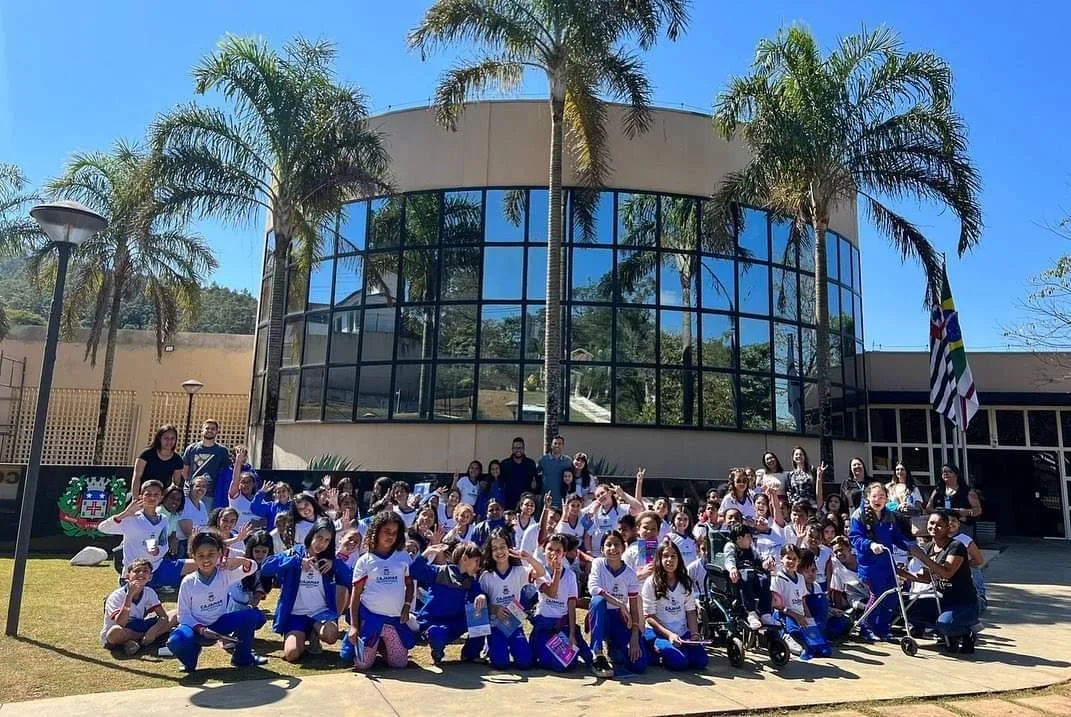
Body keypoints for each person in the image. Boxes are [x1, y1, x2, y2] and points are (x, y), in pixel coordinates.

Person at [166, 530, 267, 672]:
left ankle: (242, 658)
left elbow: (252, 567)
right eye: (200, 556)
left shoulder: (223, 574)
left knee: (251, 616)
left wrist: (241, 561)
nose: (206, 560)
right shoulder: (188, 582)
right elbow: (183, 615)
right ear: (193, 557)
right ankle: (190, 661)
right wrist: (201, 629)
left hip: (219, 624)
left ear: (219, 554)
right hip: (196, 629)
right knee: (176, 641)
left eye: (211, 554)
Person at [261, 518, 350, 662]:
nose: (322, 543)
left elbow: (349, 579)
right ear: (312, 535)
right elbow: (266, 568)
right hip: (296, 614)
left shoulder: (329, 560)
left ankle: (314, 633)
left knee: (331, 636)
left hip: (319, 613)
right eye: (319, 537)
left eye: (327, 540)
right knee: (292, 654)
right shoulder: (295, 553)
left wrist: (334, 565)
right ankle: (300, 636)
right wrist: (296, 562)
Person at [848, 482, 926, 641]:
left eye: (882, 496)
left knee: (891, 596)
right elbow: (855, 538)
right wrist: (871, 545)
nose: (878, 500)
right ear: (868, 497)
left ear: (887, 498)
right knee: (877, 595)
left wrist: (910, 546)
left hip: (887, 562)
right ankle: (866, 628)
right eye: (874, 496)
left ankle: (882, 628)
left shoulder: (889, 515)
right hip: (870, 564)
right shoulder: (859, 515)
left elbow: (896, 537)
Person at [900, 511, 980, 653]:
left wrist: (922, 557)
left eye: (939, 525)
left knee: (945, 625)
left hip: (964, 602)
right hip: (940, 600)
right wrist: (902, 573)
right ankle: (947, 634)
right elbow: (926, 578)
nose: (934, 527)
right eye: (931, 523)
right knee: (904, 609)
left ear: (948, 528)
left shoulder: (956, 546)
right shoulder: (928, 547)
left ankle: (966, 632)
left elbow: (946, 572)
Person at [348, 511, 416, 670]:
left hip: (394, 620)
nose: (390, 536)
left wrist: (407, 605)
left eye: (394, 533)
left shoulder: (403, 556)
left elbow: (410, 584)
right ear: (376, 531)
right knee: (363, 664)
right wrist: (354, 626)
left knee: (399, 664)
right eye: (386, 532)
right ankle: (372, 644)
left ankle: (383, 646)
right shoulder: (365, 560)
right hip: (371, 619)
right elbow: (355, 595)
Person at [99, 480, 185, 590]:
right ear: (141, 497)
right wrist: (125, 514)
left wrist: (157, 550)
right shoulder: (131, 518)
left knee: (192, 565)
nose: (152, 498)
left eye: (156, 495)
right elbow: (103, 528)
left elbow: (164, 544)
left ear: (161, 497)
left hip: (154, 570)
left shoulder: (163, 519)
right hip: (132, 574)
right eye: (148, 494)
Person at [479, 528, 545, 670]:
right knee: (501, 664)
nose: (499, 551)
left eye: (503, 546)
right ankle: (490, 646)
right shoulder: (486, 576)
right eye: (494, 548)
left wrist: (528, 558)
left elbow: (541, 572)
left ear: (509, 548)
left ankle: (513, 647)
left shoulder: (519, 572)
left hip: (515, 625)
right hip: (495, 626)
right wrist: (494, 608)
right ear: (490, 552)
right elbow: (479, 605)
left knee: (525, 663)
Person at [410, 541, 487, 663]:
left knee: (480, 614)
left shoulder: (471, 581)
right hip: (434, 622)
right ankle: (437, 650)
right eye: (477, 561)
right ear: (465, 559)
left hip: (456, 622)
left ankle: (471, 653)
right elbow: (414, 572)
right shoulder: (439, 572)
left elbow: (478, 593)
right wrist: (427, 553)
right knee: (436, 633)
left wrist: (481, 596)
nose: (479, 566)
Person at [586, 531, 646, 678]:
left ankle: (613, 647)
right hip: (602, 615)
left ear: (623, 547)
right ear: (602, 549)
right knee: (598, 600)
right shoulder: (598, 564)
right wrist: (619, 603)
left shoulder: (630, 574)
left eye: (617, 544)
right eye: (608, 545)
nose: (613, 548)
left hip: (619, 619)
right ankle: (597, 652)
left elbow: (633, 607)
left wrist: (634, 635)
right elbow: (593, 589)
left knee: (639, 664)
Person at [641, 539, 708, 671]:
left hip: (682, 633)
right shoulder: (651, 582)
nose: (669, 560)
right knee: (679, 662)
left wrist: (694, 633)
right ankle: (655, 651)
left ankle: (679, 650)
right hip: (659, 632)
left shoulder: (685, 582)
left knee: (701, 661)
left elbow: (690, 611)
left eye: (673, 556)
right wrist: (669, 635)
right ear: (659, 559)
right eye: (665, 556)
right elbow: (649, 616)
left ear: (679, 559)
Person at [529, 532, 592, 671]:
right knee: (546, 662)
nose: (553, 553)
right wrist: (557, 572)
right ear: (544, 551)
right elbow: (552, 592)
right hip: (544, 625)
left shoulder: (570, 576)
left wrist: (571, 634)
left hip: (562, 625)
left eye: (558, 551)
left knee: (568, 664)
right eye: (550, 549)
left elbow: (571, 605)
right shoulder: (540, 573)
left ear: (563, 554)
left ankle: (590, 656)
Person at [102, 559, 175, 655]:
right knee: (114, 632)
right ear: (128, 576)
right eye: (136, 571)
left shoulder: (149, 592)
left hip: (139, 624)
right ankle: (141, 640)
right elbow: (120, 623)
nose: (141, 574)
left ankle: (136, 642)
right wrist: (129, 596)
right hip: (122, 629)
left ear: (150, 577)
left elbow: (163, 616)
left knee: (176, 614)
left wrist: (153, 631)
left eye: (145, 571)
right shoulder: (116, 596)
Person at [722, 525, 777, 630]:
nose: (751, 539)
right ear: (739, 538)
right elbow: (729, 559)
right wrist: (732, 568)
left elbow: (760, 560)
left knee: (764, 579)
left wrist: (766, 562)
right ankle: (751, 613)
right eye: (748, 537)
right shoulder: (731, 546)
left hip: (754, 574)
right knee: (747, 576)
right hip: (739, 576)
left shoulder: (751, 549)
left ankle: (765, 613)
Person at [182, 419, 231, 513]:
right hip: (191, 492)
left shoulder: (222, 451)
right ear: (202, 430)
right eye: (207, 428)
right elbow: (185, 470)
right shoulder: (192, 448)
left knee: (205, 520)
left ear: (217, 432)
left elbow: (225, 472)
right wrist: (191, 483)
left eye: (213, 429)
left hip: (210, 493)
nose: (209, 430)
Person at [130, 425, 185, 497]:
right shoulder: (146, 454)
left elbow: (176, 483)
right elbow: (137, 477)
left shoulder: (177, 459)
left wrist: (164, 495)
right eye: (166, 438)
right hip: (143, 495)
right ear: (159, 438)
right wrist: (135, 498)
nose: (169, 441)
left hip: (161, 497)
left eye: (172, 438)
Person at [948, 513, 987, 612]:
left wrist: (962, 565)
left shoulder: (964, 539)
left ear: (959, 524)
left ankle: (978, 600)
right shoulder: (936, 539)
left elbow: (979, 560)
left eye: (954, 520)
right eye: (947, 520)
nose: (950, 523)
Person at [501, 437, 539, 510]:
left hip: (525, 504)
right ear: (512, 449)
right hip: (508, 503)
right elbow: (495, 476)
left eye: (520, 448)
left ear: (523, 449)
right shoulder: (505, 464)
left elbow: (536, 482)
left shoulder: (530, 464)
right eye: (515, 448)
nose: (518, 450)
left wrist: (535, 486)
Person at [539, 435, 573, 511]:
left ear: (563, 446)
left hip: (563, 500)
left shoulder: (568, 461)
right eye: (555, 443)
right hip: (547, 500)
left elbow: (576, 474)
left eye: (560, 443)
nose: (557, 445)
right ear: (551, 445)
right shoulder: (543, 460)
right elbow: (534, 473)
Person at [178, 477, 210, 548]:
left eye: (204, 486)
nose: (200, 489)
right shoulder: (184, 502)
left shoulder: (202, 504)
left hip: (201, 541)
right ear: (191, 487)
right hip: (184, 544)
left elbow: (206, 526)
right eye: (197, 486)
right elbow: (188, 533)